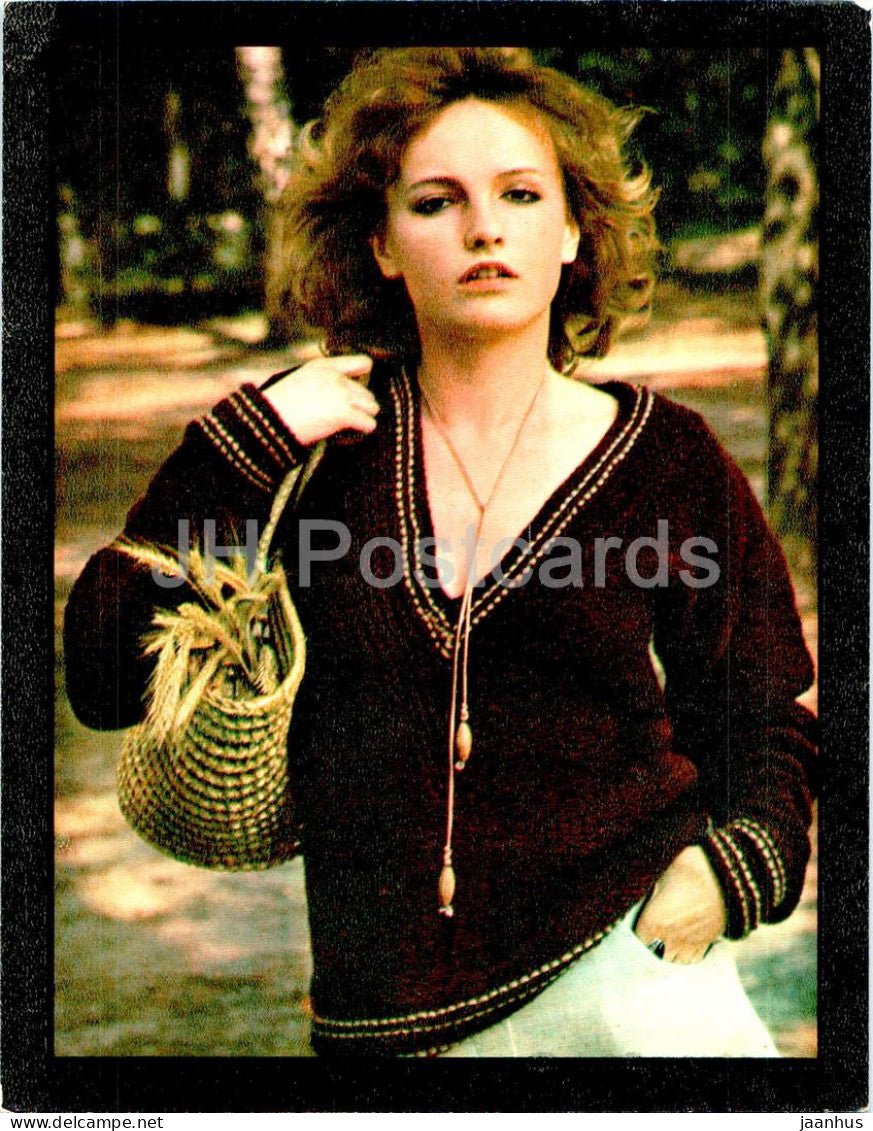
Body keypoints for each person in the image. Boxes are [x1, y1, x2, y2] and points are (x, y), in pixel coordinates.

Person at [64, 47, 817, 1058]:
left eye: (520, 194)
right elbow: (105, 679)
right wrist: (236, 449)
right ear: (381, 244)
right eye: (436, 201)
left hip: (633, 987)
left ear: (572, 232)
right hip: (386, 1030)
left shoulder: (669, 462)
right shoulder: (311, 458)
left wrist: (723, 879)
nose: (484, 228)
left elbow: (764, 715)